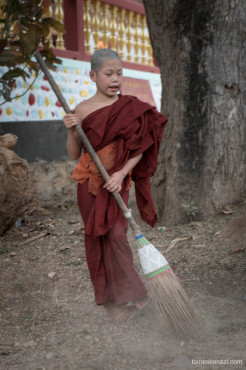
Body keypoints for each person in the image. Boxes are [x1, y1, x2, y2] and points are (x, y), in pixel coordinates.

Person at [63, 49, 168, 322]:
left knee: (117, 236)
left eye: (119, 74)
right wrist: (72, 130)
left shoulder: (130, 108)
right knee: (97, 239)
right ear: (93, 75)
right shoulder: (82, 110)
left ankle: (133, 292)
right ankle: (112, 304)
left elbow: (141, 149)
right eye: (109, 74)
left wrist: (121, 174)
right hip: (89, 185)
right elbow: (74, 154)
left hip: (116, 183)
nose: (115, 79)